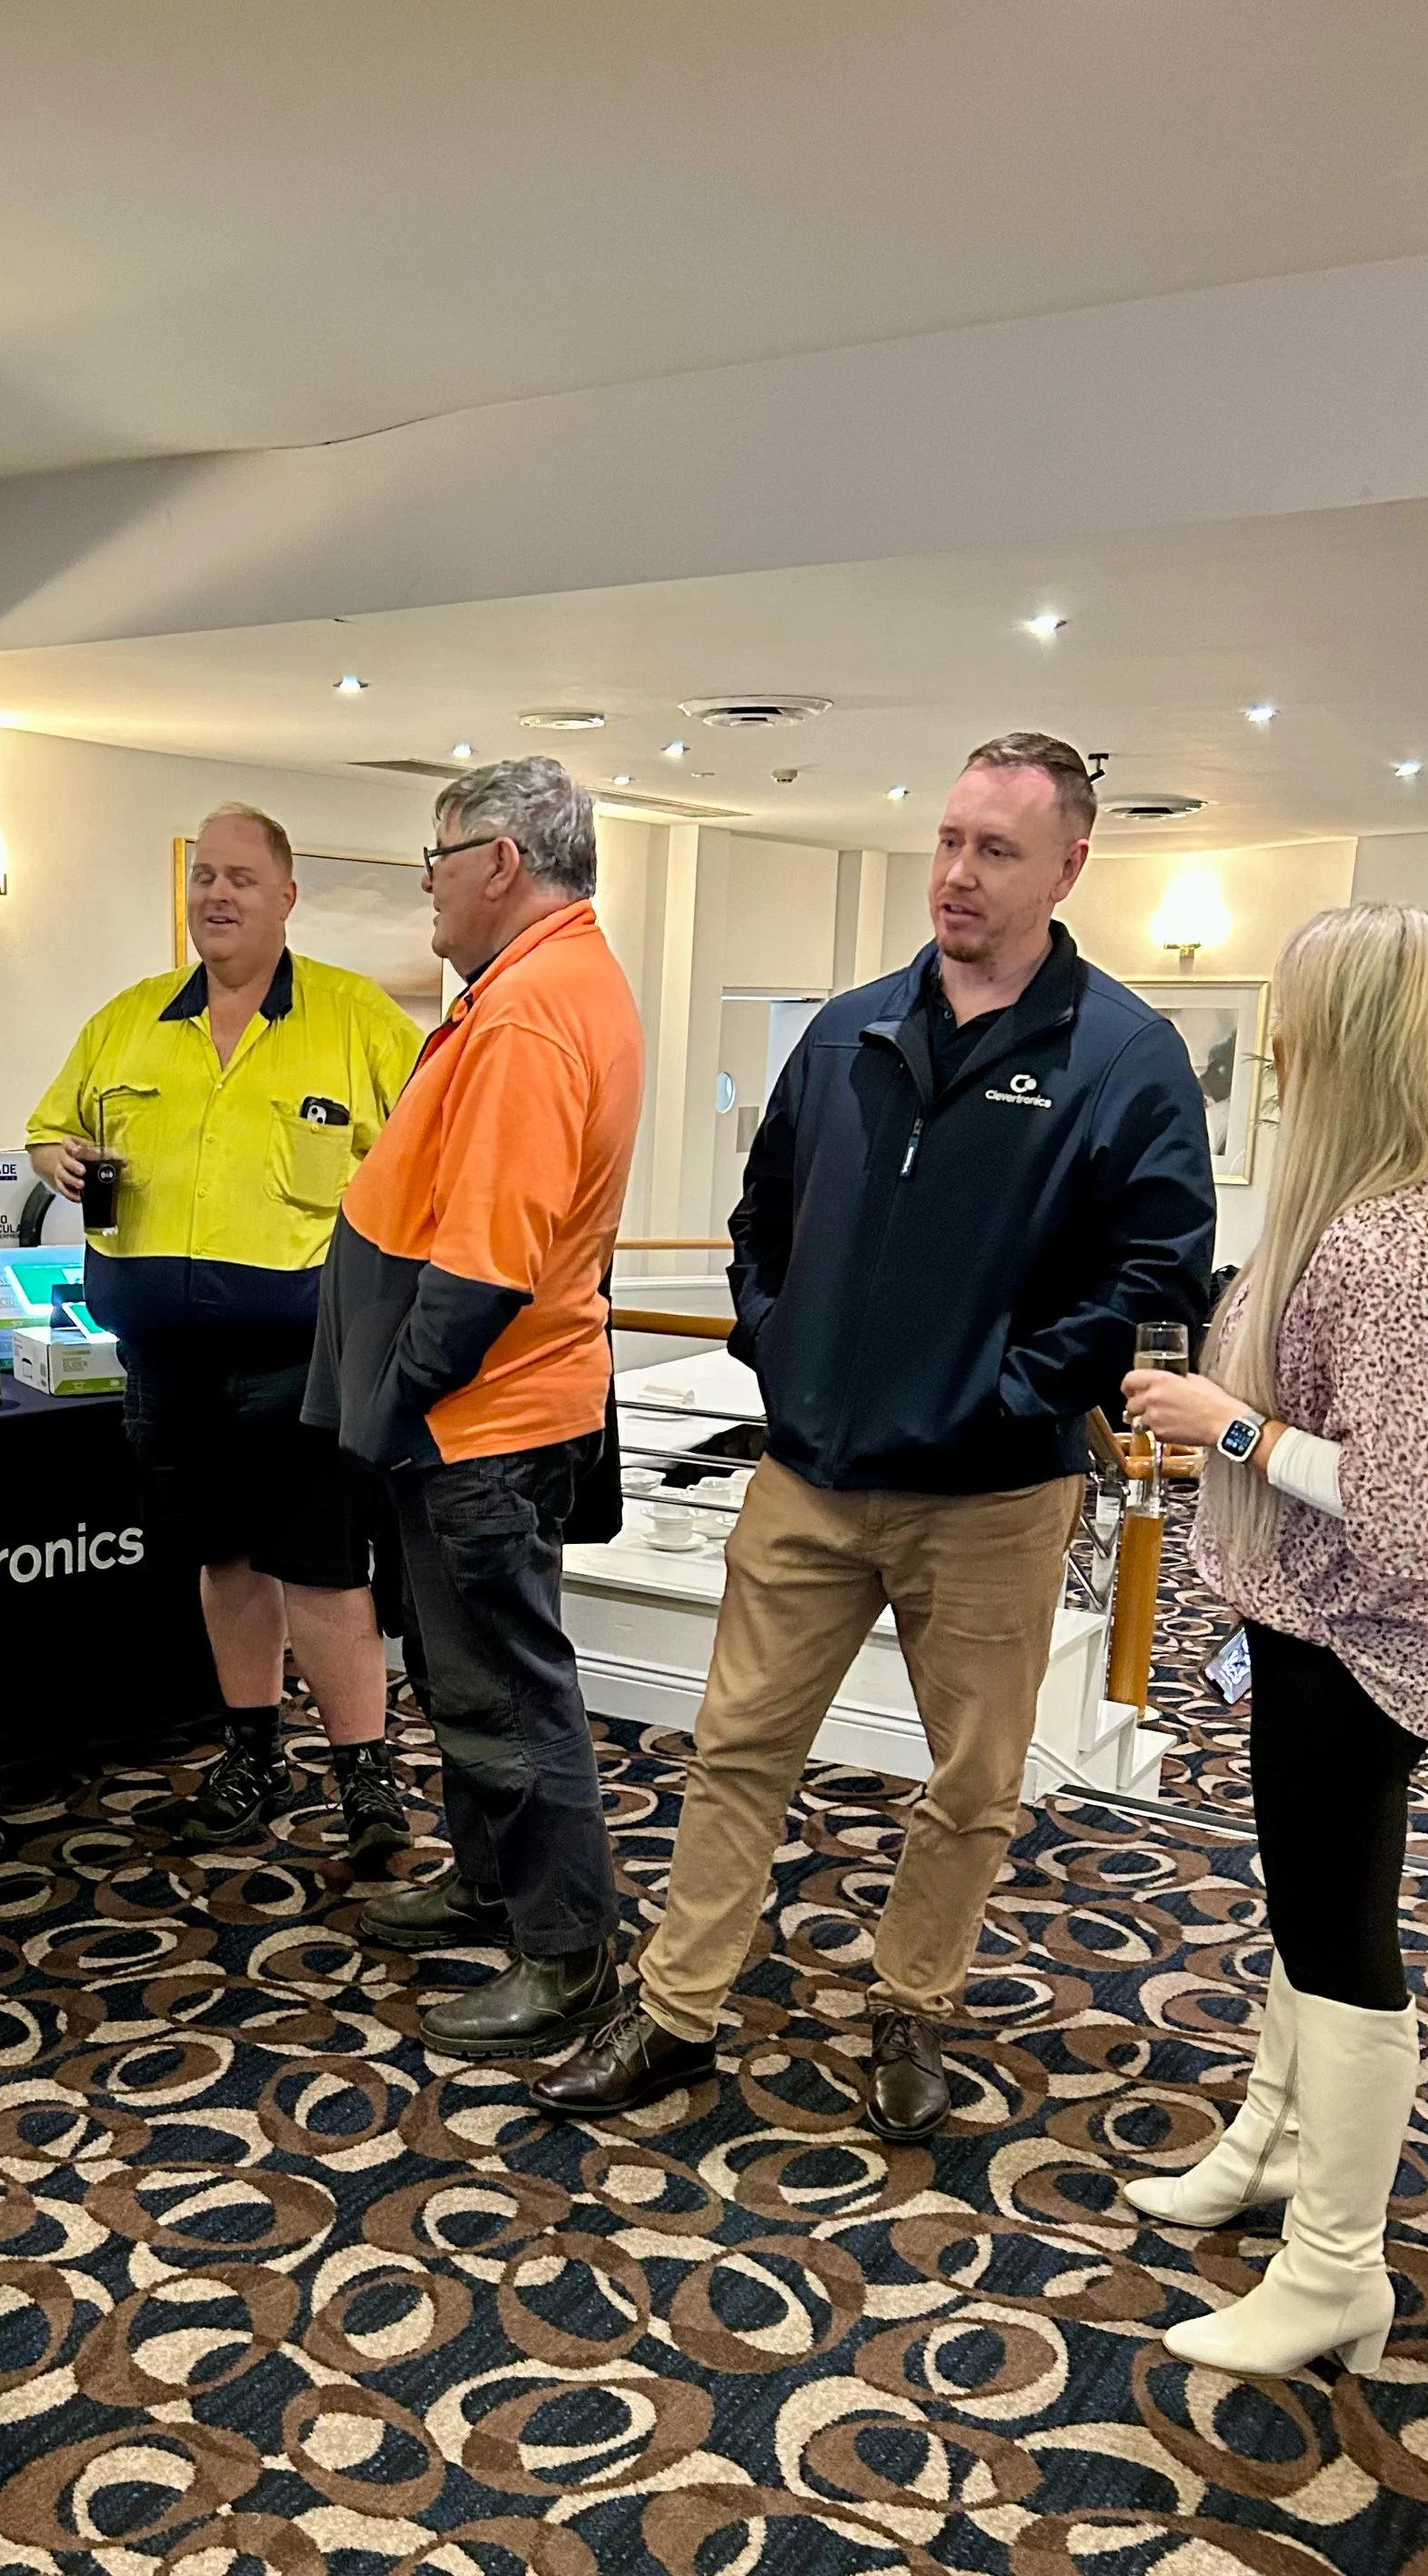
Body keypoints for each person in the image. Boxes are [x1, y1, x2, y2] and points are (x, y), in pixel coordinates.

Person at [541, 734, 1214, 2124]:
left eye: (997, 852)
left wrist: (1013, 1396)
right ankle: (674, 2009)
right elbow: (762, 1219)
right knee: (736, 1750)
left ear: (1070, 866)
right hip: (810, 1473)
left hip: (990, 1499)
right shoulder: (849, 1028)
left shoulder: (1124, 1058)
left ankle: (911, 2008)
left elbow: (1155, 1282)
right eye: (951, 841)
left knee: (969, 1782)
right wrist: (779, 1353)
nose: (958, 876)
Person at [1120, 904, 1428, 2378]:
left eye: (1293, 1015)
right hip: (1322, 1621)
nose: (1271, 1045)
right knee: (1313, 1907)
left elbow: (1399, 1504)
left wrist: (1228, 1424)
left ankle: (1336, 2264)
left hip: (1366, 1632)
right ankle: (1276, 2144)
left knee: (1342, 1938)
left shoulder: (1411, 1231)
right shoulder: (1385, 1203)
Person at [307, 757, 644, 2059]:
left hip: (480, 1421)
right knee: (469, 1683)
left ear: (501, 862)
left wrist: (395, 1402)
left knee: (507, 1691)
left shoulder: (527, 1011)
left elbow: (489, 1256)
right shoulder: (553, 979)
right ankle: (490, 1881)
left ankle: (564, 1957)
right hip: (490, 1413)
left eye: (435, 861)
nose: (428, 892)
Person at [27, 805, 422, 1860]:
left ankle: (365, 1777)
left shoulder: (360, 1021)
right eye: (204, 876)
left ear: (286, 897)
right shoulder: (127, 1020)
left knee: (326, 1572)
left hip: (306, 1362)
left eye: (241, 878)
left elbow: (428, 1159)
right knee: (226, 1562)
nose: (217, 895)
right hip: (167, 1360)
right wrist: (56, 1156)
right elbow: (52, 1124)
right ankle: (252, 1752)